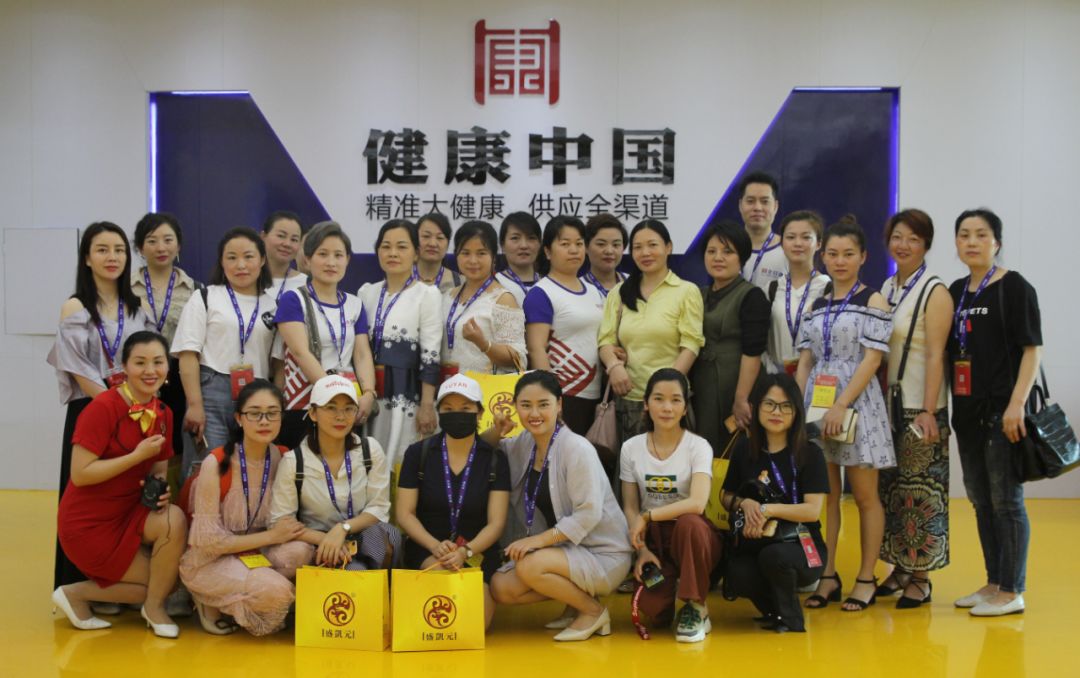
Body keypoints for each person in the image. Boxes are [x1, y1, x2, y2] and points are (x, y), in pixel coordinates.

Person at [52, 331, 187, 638]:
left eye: (158, 362)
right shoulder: (102, 407)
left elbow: (158, 469)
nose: (150, 370)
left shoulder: (163, 414)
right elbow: (80, 474)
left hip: (130, 513)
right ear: (124, 367)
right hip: (88, 523)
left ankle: (153, 608)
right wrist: (135, 456)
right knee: (160, 583)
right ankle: (75, 594)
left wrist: (160, 491)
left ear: (168, 367)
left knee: (174, 521)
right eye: (140, 362)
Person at [487, 371, 632, 642]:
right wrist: (497, 430)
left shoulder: (577, 448)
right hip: (565, 551)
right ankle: (576, 603)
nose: (534, 413)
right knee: (501, 587)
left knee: (529, 566)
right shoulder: (525, 443)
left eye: (543, 404)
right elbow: (481, 450)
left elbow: (588, 514)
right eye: (526, 405)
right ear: (515, 406)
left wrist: (537, 541)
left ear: (559, 405)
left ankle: (593, 611)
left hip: (603, 554)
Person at [795, 216, 894, 612]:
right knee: (827, 495)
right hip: (817, 406)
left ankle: (867, 577)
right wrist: (799, 409)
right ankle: (828, 573)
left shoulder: (873, 300)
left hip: (858, 405)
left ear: (863, 257)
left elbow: (872, 360)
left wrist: (841, 404)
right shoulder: (817, 304)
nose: (839, 261)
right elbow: (805, 360)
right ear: (823, 256)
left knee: (865, 496)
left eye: (848, 254)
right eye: (833, 254)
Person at [47, 221, 153, 588]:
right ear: (87, 258)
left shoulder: (136, 308)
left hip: (134, 413)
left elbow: (149, 360)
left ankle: (118, 584)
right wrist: (117, 405)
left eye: (119, 250)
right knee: (86, 498)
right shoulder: (74, 307)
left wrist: (134, 406)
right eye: (103, 250)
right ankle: (77, 585)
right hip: (94, 412)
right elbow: (77, 368)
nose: (112, 257)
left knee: (123, 496)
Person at [947, 208, 1041, 617]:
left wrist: (1016, 404)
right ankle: (993, 582)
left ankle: (1012, 590)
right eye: (964, 234)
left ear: (996, 242)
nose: (972, 241)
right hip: (967, 413)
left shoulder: (1014, 287)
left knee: (1007, 502)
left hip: (1004, 412)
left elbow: (1032, 350)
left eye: (981, 234)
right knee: (982, 502)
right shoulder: (956, 291)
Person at [180, 380, 307, 636]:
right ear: (239, 418)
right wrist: (272, 537)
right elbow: (208, 543)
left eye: (272, 413)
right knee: (276, 591)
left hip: (257, 552)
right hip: (211, 559)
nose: (264, 421)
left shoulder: (284, 457)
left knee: (300, 552)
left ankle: (242, 597)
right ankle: (207, 600)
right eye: (255, 413)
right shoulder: (216, 463)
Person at [876, 209, 954, 608]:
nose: (903, 245)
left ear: (926, 245)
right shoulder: (888, 287)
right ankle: (900, 567)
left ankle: (921, 578)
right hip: (888, 407)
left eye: (913, 239)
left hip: (919, 408)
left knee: (921, 492)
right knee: (892, 489)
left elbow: (938, 355)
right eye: (897, 237)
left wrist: (928, 410)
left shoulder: (934, 290)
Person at [395, 374, 510, 630]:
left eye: (465, 408)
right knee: (441, 604)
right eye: (448, 409)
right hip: (428, 547)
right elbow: (405, 514)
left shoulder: (494, 459)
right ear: (439, 413)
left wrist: (465, 552)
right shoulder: (418, 454)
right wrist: (435, 546)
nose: (456, 414)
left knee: (474, 625)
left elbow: (496, 523)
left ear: (479, 413)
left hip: (477, 551)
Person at [721, 373, 829, 633]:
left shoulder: (810, 453)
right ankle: (773, 610)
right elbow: (725, 496)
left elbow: (812, 511)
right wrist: (744, 504)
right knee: (737, 571)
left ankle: (791, 619)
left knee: (775, 556)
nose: (776, 412)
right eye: (769, 404)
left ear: (796, 411)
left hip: (803, 544)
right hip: (756, 538)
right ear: (756, 407)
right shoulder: (744, 449)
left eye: (785, 406)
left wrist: (766, 510)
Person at [620, 368, 719, 642]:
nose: (667, 408)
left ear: (685, 407)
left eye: (675, 400)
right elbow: (630, 507)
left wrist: (648, 516)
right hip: (654, 540)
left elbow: (697, 503)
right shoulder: (631, 448)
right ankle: (673, 589)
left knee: (689, 523)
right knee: (653, 612)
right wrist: (641, 550)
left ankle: (696, 606)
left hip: (693, 536)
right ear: (645, 404)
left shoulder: (699, 446)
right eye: (658, 399)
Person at [267, 375, 400, 573]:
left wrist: (343, 528)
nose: (341, 416)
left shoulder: (370, 450)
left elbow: (379, 507)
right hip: (317, 542)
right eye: (331, 407)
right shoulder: (294, 461)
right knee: (297, 556)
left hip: (361, 534)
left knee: (387, 535)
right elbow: (281, 521)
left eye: (349, 408)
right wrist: (325, 539)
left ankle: (377, 583)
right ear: (313, 413)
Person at [597, 219, 704, 457]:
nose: (645, 253)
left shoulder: (686, 291)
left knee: (672, 470)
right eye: (637, 247)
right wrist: (614, 366)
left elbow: (691, 344)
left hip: (671, 404)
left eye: (652, 245)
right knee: (631, 471)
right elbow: (605, 341)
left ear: (668, 247)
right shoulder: (619, 292)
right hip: (630, 401)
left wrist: (665, 389)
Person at [172, 227, 278, 461]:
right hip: (211, 391)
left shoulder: (273, 306)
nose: (241, 265)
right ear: (221, 262)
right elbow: (188, 354)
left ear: (262, 260)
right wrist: (195, 404)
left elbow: (278, 364)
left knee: (250, 466)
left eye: (248, 257)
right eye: (231, 257)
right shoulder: (205, 297)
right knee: (207, 465)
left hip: (257, 394)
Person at [275, 221, 377, 448]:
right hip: (306, 405)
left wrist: (369, 393)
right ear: (307, 259)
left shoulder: (355, 304)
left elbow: (362, 354)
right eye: (323, 254)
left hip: (346, 407)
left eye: (338, 255)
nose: (331, 262)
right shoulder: (293, 300)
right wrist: (333, 395)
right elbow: (300, 353)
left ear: (347, 260)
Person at [357, 220, 442, 466]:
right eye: (386, 246)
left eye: (402, 247)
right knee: (368, 458)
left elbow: (431, 354)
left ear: (416, 253)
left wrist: (427, 404)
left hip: (406, 393)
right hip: (370, 393)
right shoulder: (366, 293)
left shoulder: (427, 294)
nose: (393, 253)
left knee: (401, 461)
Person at [131, 212, 201, 490]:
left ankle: (168, 502)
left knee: (174, 445)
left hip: (178, 377)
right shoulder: (125, 288)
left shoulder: (195, 290)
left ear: (178, 245)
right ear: (140, 247)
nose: (161, 247)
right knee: (135, 443)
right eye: (152, 240)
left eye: (168, 240)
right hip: (136, 378)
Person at [691, 221, 770, 454]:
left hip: (735, 384)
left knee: (733, 451)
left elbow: (753, 352)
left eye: (728, 252)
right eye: (711, 251)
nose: (718, 258)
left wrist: (741, 398)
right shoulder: (697, 294)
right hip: (701, 384)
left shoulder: (752, 296)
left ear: (741, 258)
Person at [524, 216, 606, 436]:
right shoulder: (541, 293)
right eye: (565, 244)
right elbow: (536, 348)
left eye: (579, 243)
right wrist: (550, 399)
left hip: (596, 397)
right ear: (548, 251)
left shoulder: (594, 291)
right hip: (564, 396)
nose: (574, 250)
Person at [441, 220, 527, 376]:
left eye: (481, 253)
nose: (473, 260)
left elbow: (518, 358)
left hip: (483, 389)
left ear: (493, 257)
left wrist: (483, 343)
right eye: (465, 253)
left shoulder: (502, 299)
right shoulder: (447, 296)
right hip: (447, 387)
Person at [764, 211, 830, 375]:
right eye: (791, 237)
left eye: (806, 237)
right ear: (782, 243)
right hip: (777, 378)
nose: (798, 243)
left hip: (817, 379)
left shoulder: (829, 288)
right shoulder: (771, 289)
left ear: (819, 243)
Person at [738, 171, 787, 290]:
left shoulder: (789, 250)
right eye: (750, 201)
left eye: (765, 201)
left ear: (775, 206)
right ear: (740, 205)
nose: (757, 208)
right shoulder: (726, 248)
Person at [495, 211, 543, 307]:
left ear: (540, 244)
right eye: (515, 238)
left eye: (531, 238)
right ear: (502, 245)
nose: (524, 245)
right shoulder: (494, 285)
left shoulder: (548, 284)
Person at [261, 210, 307, 301]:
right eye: (281, 236)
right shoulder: (243, 277)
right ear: (263, 237)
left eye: (294, 240)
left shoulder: (306, 285)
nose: (287, 244)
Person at [415, 212, 462, 293]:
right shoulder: (399, 277)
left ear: (448, 244)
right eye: (426, 236)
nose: (432, 244)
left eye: (440, 238)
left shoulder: (460, 283)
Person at [583, 213, 627, 298]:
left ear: (623, 248)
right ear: (586, 247)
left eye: (616, 245)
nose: (609, 251)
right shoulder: (576, 287)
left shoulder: (636, 284)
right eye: (601, 244)